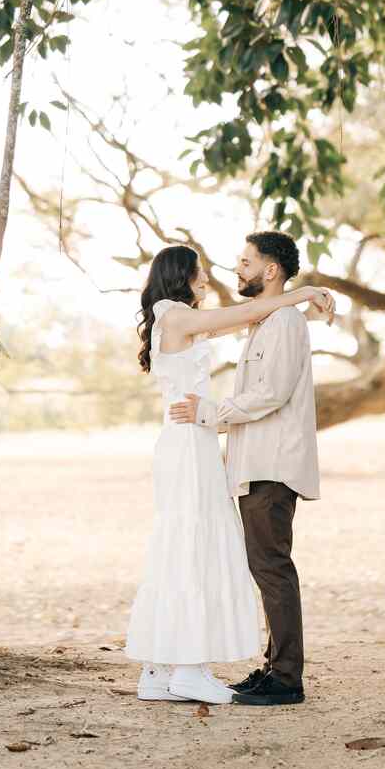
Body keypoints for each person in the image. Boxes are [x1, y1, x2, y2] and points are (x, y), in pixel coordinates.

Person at [125, 243, 334, 706]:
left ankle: (160, 670)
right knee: (191, 548)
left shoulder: (182, 320)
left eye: (243, 261)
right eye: (198, 273)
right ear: (180, 276)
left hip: (194, 440)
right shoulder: (176, 316)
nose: (207, 279)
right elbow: (248, 312)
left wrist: (302, 297)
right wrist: (305, 292)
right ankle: (186, 668)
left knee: (182, 546)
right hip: (188, 440)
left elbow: (251, 316)